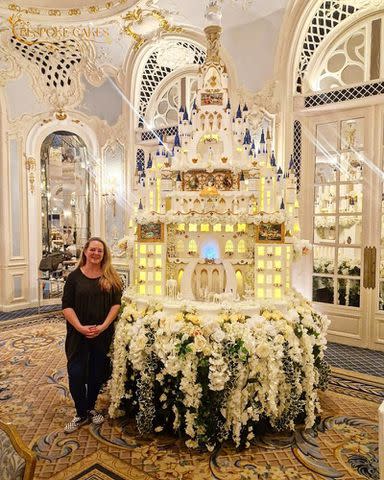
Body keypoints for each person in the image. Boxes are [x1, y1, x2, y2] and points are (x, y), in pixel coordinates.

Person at [62, 237, 123, 434]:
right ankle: (80, 413)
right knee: (76, 372)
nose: (96, 254)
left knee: (97, 373)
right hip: (77, 334)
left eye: (100, 251)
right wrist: (80, 327)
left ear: (104, 255)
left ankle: (90, 407)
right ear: (86, 252)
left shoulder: (111, 277)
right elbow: (67, 307)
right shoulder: (74, 278)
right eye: (93, 250)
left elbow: (116, 304)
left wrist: (104, 326)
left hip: (102, 333)